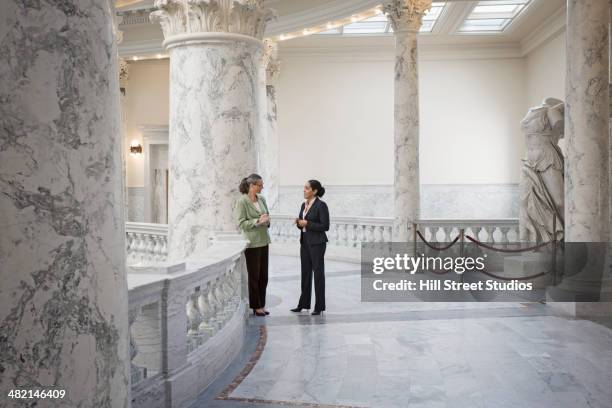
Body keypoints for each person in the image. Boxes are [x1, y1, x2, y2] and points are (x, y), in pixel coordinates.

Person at [234, 174, 271, 317]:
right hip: (252, 243)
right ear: (252, 186)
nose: (262, 187)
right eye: (260, 185)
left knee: (264, 276)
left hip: (264, 240)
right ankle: (256, 306)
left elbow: (267, 215)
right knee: (254, 276)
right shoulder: (242, 202)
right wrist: (257, 222)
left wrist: (267, 220)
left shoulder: (262, 199)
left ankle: (262, 304)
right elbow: (241, 223)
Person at [291, 180, 329, 316]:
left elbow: (325, 226)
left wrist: (307, 223)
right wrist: (299, 223)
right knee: (305, 273)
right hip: (305, 242)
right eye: (304, 188)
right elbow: (303, 225)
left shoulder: (321, 205)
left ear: (314, 191)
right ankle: (303, 304)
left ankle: (319, 306)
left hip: (318, 244)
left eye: (307, 188)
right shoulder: (303, 204)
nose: (304, 190)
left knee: (318, 274)